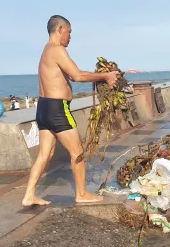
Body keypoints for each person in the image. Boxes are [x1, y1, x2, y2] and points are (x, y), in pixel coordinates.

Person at [21, 15, 118, 207]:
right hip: (58, 109)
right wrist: (106, 75)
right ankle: (81, 193)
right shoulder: (57, 50)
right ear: (60, 29)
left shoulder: (46, 51)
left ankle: (29, 195)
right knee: (77, 152)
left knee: (45, 155)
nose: (70, 37)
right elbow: (77, 76)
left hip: (43, 108)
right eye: (69, 32)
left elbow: (71, 76)